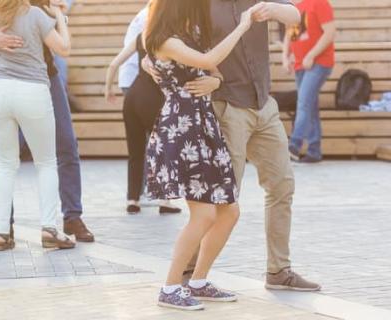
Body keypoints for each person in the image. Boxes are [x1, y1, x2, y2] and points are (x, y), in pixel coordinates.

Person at [143, 0, 320, 292]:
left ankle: (278, 270)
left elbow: (294, 14)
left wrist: (270, 10)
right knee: (222, 200)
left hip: (263, 102)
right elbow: (156, 21)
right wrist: (147, 58)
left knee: (282, 185)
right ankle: (189, 273)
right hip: (226, 107)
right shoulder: (200, 5)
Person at [142, 0, 261, 311]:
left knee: (229, 212)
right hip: (183, 131)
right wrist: (243, 25)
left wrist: (217, 81)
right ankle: (170, 287)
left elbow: (214, 68)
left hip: (204, 127)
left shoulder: (187, 35)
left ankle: (198, 281)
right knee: (205, 214)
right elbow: (210, 58)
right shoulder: (164, 40)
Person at [0, 0, 95, 244]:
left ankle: (72, 216)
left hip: (43, 76)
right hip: (1, 79)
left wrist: (59, 15)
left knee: (66, 145)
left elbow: (57, 13)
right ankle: (5, 225)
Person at [106, 10, 181, 215]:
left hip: (132, 97)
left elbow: (114, 64)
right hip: (154, 99)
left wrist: (108, 89)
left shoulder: (141, 38)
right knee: (164, 149)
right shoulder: (170, 42)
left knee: (135, 152)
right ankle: (165, 201)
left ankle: (133, 200)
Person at [283, 0, 335, 163]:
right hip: (300, 65)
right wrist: (285, 56)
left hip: (319, 63)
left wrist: (311, 55)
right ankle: (314, 151)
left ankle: (294, 146)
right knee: (310, 106)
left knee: (304, 103)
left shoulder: (319, 3)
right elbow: (289, 33)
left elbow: (330, 33)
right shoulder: (296, 7)